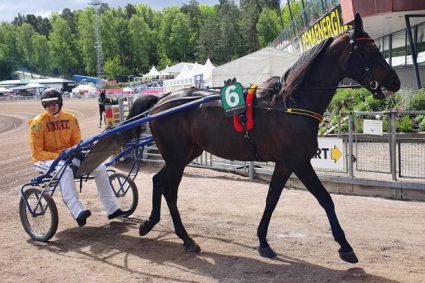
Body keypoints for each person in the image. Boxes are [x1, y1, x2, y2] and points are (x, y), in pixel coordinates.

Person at [29, 88, 127, 227]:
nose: (51, 106)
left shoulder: (70, 119)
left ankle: (112, 209)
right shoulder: (37, 123)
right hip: (44, 160)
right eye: (48, 104)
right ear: (44, 105)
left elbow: (76, 142)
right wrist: (60, 155)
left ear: (60, 103)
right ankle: (77, 211)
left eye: (54, 103)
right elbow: (37, 152)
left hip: (67, 156)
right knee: (65, 170)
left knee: (99, 168)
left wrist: (76, 151)